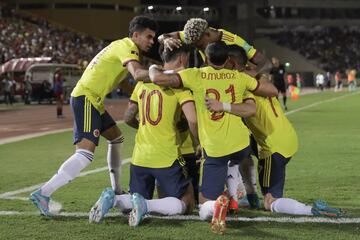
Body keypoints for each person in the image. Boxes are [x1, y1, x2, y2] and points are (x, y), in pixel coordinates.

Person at [29, 15, 158, 217]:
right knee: (85, 154)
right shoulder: (128, 48)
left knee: (117, 137)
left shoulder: (123, 47)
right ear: (135, 35)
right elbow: (137, 74)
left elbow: (125, 82)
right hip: (86, 97)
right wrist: (161, 76)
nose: (152, 42)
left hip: (93, 100)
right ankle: (43, 193)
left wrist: (138, 91)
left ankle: (116, 190)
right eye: (149, 37)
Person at [149, 41, 278, 234]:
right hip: (242, 145)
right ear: (228, 59)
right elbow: (271, 91)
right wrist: (252, 76)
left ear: (206, 59)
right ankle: (235, 195)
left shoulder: (196, 75)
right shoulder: (239, 77)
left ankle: (218, 204)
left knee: (203, 204)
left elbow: (158, 78)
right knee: (233, 162)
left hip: (216, 148)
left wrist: (152, 67)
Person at [209, 45, 343, 217]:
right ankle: (248, 194)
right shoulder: (255, 77)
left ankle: (311, 210)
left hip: (273, 146)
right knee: (240, 150)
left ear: (232, 63)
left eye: (223, 62)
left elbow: (248, 109)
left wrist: (222, 106)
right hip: (286, 137)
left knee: (270, 201)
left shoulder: (240, 83)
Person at [88, 44, 198, 227]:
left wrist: (145, 129)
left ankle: (114, 200)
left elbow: (128, 117)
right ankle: (146, 205)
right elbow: (192, 120)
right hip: (166, 156)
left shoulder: (142, 84)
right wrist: (198, 142)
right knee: (187, 202)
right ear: (182, 59)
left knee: (134, 198)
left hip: (140, 157)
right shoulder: (179, 85)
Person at [158, 18, 271, 74]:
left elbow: (265, 62)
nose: (198, 49)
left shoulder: (234, 41)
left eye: (200, 45)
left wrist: (252, 74)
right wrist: (166, 39)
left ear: (207, 34)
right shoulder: (195, 36)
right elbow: (162, 37)